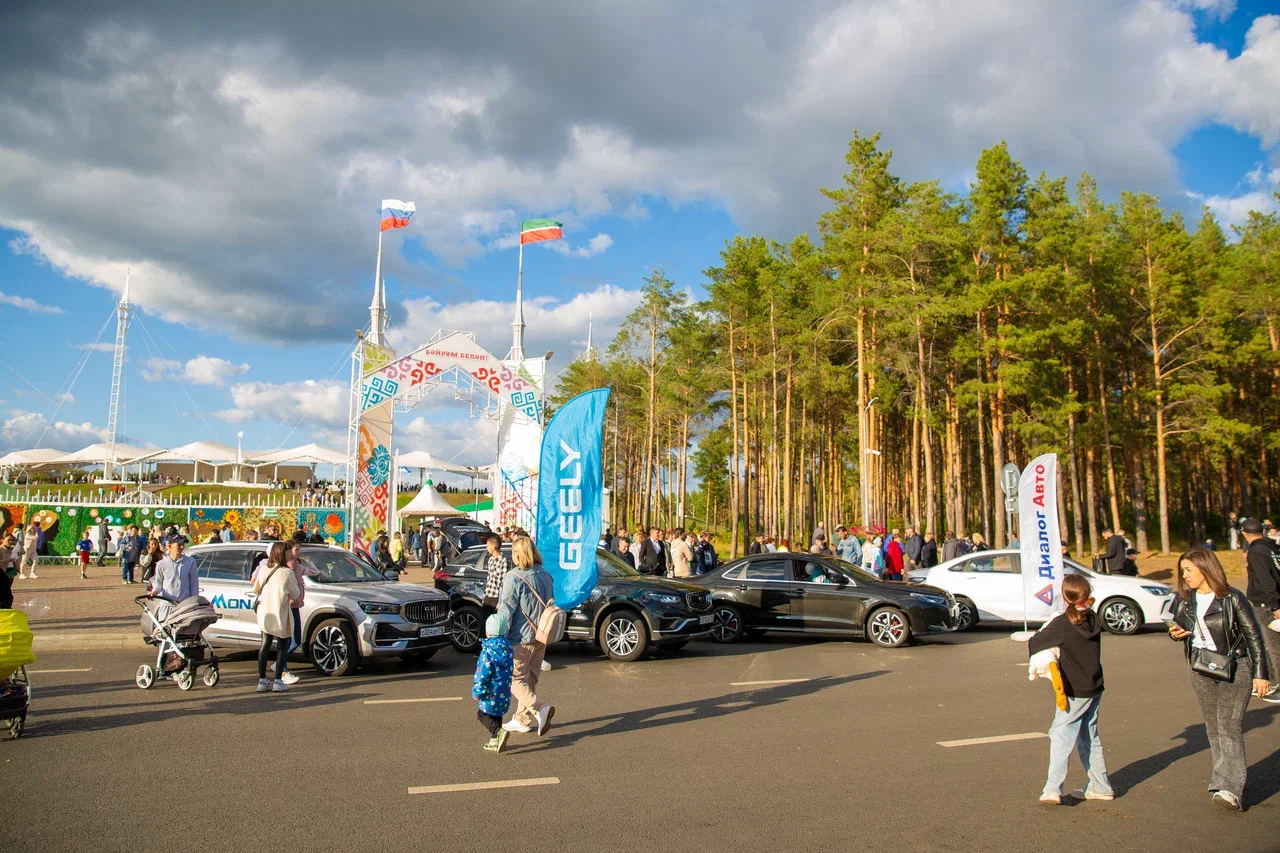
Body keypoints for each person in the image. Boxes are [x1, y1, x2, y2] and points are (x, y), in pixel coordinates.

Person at [1167, 548, 1271, 809]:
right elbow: (1176, 627)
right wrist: (1175, 633)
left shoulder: (1232, 598)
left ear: (1205, 569)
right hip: (1201, 669)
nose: (1184, 576)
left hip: (1236, 668)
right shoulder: (1184, 600)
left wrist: (1261, 674)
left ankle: (1230, 789)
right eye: (1183, 571)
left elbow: (1254, 637)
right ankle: (1223, 781)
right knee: (1213, 728)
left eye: (1189, 570)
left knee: (1228, 727)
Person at [1029, 574, 1113, 805]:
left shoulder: (1063, 624)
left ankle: (1052, 788)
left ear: (1065, 597)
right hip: (1095, 685)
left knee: (1060, 736)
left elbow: (1036, 642)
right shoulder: (1093, 618)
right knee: (1089, 735)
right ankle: (1101, 786)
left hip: (1074, 689)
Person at [496, 537, 555, 737]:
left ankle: (540, 708)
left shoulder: (514, 577)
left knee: (514, 680)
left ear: (518, 554)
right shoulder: (545, 575)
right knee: (529, 679)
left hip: (521, 637)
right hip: (541, 635)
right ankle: (522, 719)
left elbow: (506, 611)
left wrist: (497, 636)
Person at [1241, 518, 1280, 702]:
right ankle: (1270, 681)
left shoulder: (1256, 552)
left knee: (1273, 646)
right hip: (1269, 601)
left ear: (1243, 533)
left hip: (1266, 604)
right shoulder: (1272, 548)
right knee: (1267, 644)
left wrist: (1274, 606)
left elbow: (1266, 581)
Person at [253, 541, 300, 693]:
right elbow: (296, 593)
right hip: (280, 612)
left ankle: (262, 680)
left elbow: (256, 588)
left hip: (265, 612)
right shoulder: (286, 572)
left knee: (265, 645)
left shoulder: (264, 569)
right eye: (287, 552)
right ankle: (278, 680)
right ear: (281, 553)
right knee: (282, 646)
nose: (290, 554)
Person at [473, 612, 514, 753]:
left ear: (487, 631)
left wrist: (477, 691)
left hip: (491, 691)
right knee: (497, 714)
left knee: (482, 714)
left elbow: (482, 674)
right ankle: (495, 740)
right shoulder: (507, 648)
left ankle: (498, 732)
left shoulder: (488, 651)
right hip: (504, 691)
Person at [149, 535, 198, 621]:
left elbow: (194, 583)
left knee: (183, 632)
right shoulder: (161, 564)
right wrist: (155, 591)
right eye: (179, 545)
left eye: (183, 544)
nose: (182, 547)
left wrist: (194, 602)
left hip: (184, 605)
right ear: (170, 546)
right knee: (165, 631)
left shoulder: (190, 561)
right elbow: (158, 582)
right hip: (167, 605)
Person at [482, 533, 509, 614]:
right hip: (488, 594)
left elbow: (503, 582)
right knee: (484, 620)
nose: (487, 548)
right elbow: (489, 578)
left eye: (488, 546)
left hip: (496, 596)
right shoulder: (490, 559)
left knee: (494, 622)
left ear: (494, 547)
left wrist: (500, 601)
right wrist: (485, 595)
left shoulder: (503, 560)